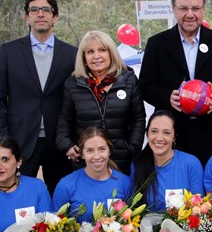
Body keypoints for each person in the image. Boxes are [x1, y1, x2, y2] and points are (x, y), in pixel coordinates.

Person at [0, 0, 77, 193]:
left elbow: (77, 100)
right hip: (20, 139)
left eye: (46, 10)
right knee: (17, 194)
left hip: (58, 141)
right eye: (34, 10)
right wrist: (1, 141)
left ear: (55, 17)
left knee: (60, 197)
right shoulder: (8, 51)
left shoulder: (71, 53)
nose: (40, 14)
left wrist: (72, 139)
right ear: (27, 17)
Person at [139, 0, 212, 165]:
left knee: (211, 189)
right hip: (173, 135)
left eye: (195, 8)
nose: (190, 14)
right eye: (183, 8)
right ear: (174, 10)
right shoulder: (156, 44)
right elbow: (145, 87)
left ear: (203, 9)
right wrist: (168, 97)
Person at [131, 110, 205, 232]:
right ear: (147, 134)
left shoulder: (190, 163)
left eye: (166, 132)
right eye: (154, 131)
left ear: (174, 137)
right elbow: (132, 211)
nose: (159, 138)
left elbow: (199, 209)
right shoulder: (139, 164)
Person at [55, 30, 145, 174]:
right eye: (90, 52)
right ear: (84, 57)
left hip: (122, 160)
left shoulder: (129, 80)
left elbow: (138, 118)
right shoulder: (72, 84)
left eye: (102, 50)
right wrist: (66, 144)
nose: (96, 56)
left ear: (111, 53)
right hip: (86, 160)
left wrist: (132, 147)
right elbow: (65, 120)